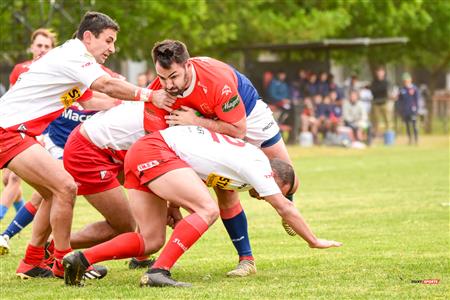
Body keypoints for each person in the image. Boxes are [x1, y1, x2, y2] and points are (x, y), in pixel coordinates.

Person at [0, 11, 173, 279]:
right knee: (65, 187)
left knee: (51, 192)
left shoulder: (71, 60)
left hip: (16, 132)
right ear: (89, 37)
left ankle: (32, 262)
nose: (112, 49)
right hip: (9, 131)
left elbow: (91, 101)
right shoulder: (75, 56)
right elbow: (105, 84)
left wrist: (131, 103)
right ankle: (61, 262)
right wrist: (149, 96)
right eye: (109, 41)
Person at [63, 125, 343, 287]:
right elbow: (285, 209)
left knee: (150, 240)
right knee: (207, 210)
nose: (262, 197)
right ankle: (158, 273)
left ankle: (81, 260)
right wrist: (313, 241)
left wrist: (171, 203)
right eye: (276, 190)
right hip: (156, 151)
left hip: (145, 153)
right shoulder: (259, 164)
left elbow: (191, 168)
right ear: (274, 176)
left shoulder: (240, 161)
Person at [142, 40, 300, 276]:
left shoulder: (215, 79)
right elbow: (168, 151)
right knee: (224, 188)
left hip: (246, 116)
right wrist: (172, 202)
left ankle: (288, 206)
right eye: (162, 78)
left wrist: (195, 121)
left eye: (173, 76)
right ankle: (246, 259)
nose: (168, 84)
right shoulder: (161, 93)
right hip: (206, 127)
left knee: (289, 176)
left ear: (188, 65)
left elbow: (238, 130)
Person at [0, 65, 123, 257]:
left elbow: (93, 100)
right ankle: (14, 239)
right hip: (57, 147)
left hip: (86, 150)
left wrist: (120, 99)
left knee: (126, 215)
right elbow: (71, 102)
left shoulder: (105, 78)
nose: (110, 49)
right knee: (49, 192)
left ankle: (43, 250)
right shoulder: (66, 87)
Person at [0, 28, 57, 255]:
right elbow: (12, 103)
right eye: (39, 45)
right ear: (32, 47)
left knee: (47, 189)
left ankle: (11, 234)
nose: (42, 49)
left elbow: (66, 101)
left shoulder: (56, 73)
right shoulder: (20, 70)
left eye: (47, 46)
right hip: (17, 134)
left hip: (46, 136)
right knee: (22, 183)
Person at [397, 72, 419, 145]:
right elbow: (399, 100)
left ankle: (416, 140)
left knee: (414, 125)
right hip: (405, 110)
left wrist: (417, 109)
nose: (406, 82)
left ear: (410, 80)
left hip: (412, 110)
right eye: (405, 81)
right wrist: (400, 109)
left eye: (407, 80)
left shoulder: (414, 89)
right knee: (407, 126)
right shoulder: (402, 89)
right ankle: (410, 139)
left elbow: (417, 99)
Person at [370, 67, 391, 136]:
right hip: (376, 103)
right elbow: (373, 91)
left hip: (384, 103)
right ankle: (375, 134)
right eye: (378, 72)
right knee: (376, 120)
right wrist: (379, 89)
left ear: (383, 73)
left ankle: (388, 134)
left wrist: (378, 89)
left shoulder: (386, 82)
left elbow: (384, 89)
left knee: (387, 119)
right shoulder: (374, 82)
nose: (379, 74)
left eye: (381, 72)